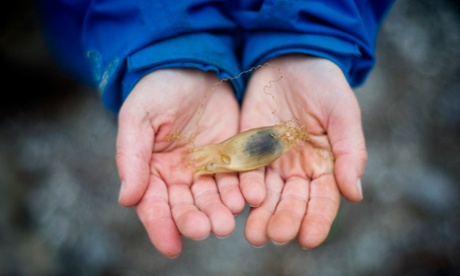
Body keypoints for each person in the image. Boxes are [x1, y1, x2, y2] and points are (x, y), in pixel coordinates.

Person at [37, 0, 394, 258]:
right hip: (126, 28)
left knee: (313, 174)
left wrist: (317, 41)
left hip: (292, 23)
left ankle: (315, 210)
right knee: (136, 111)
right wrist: (158, 51)